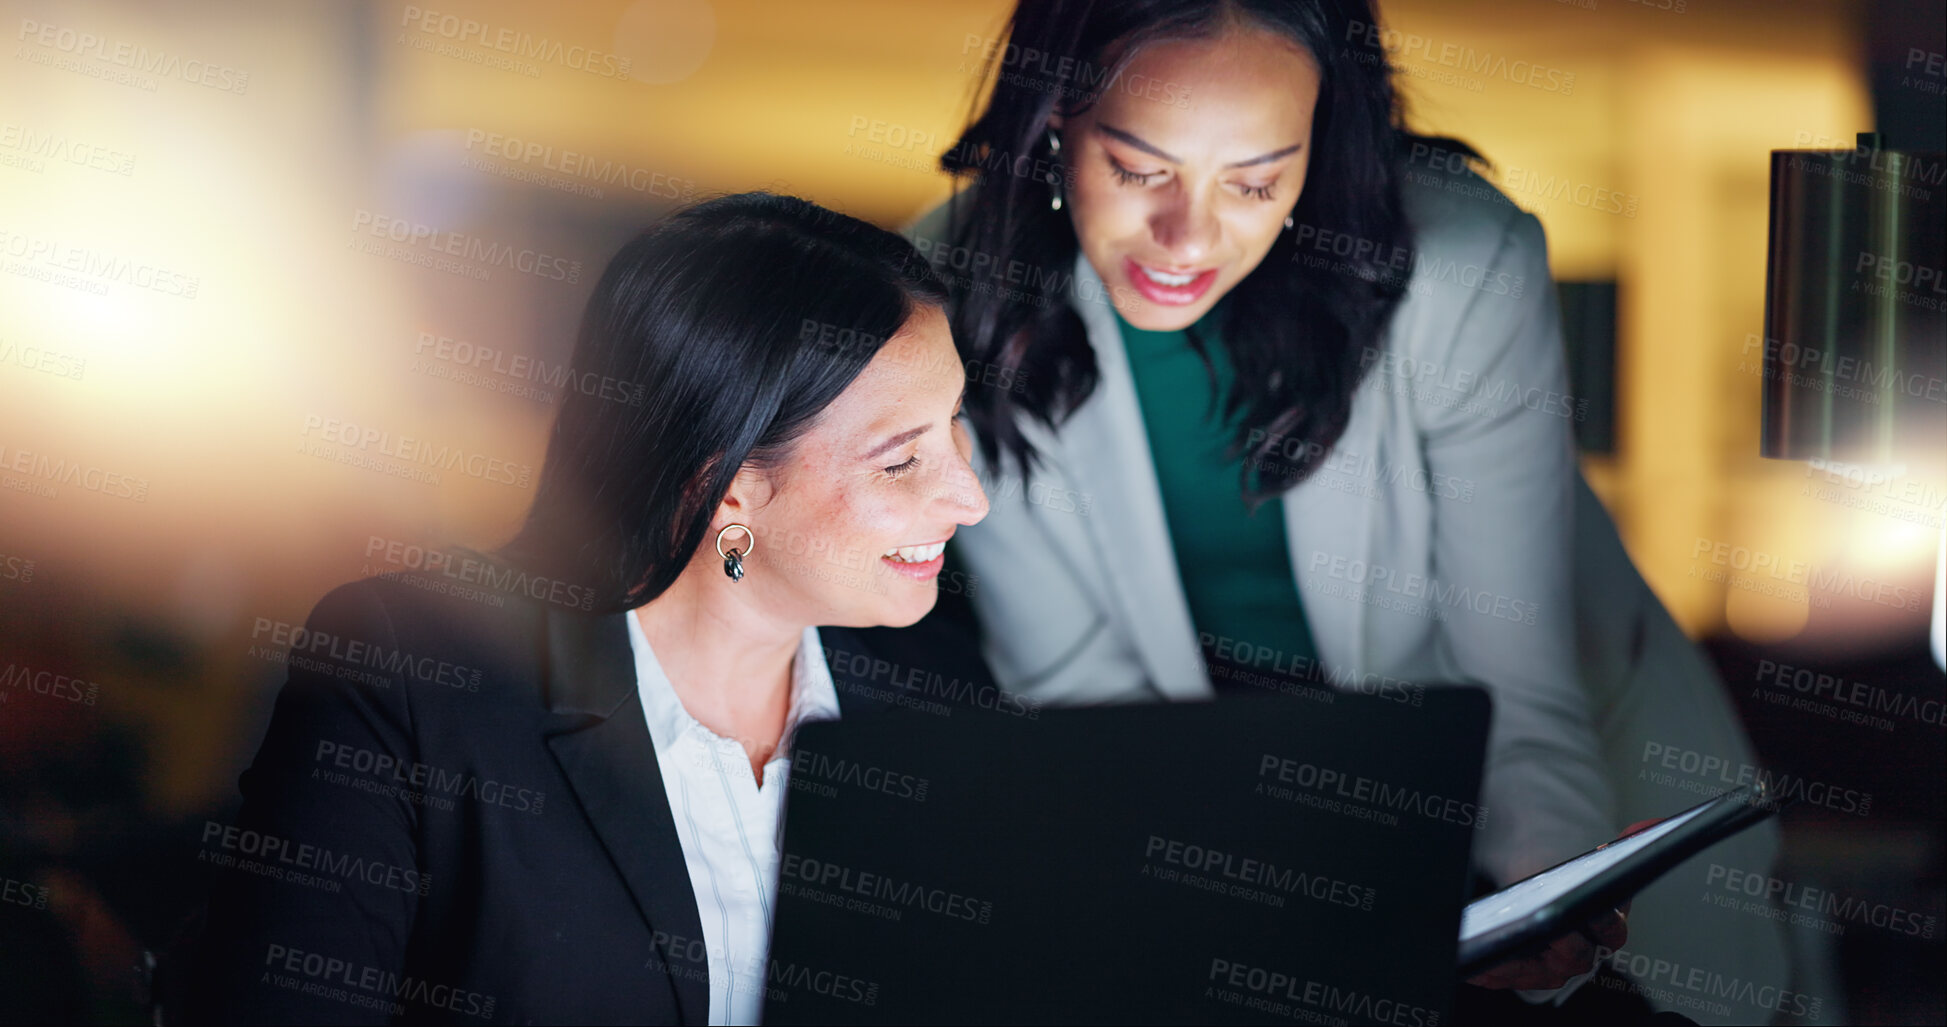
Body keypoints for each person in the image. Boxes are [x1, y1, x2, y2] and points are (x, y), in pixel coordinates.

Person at [911, 0, 1785, 1010]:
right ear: (1055, 117)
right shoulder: (958, 287)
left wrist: (1545, 900)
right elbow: (1082, 695)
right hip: (1236, 802)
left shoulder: (1462, 268)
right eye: (1139, 168)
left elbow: (1520, 695)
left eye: (1257, 182)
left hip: (1567, 768)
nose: (1186, 236)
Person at [187, 193, 989, 1024]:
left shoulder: (949, 697)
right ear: (731, 484)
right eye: (902, 461)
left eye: (955, 420)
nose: (970, 496)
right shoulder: (414, 675)